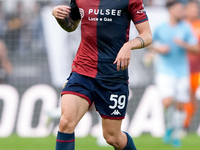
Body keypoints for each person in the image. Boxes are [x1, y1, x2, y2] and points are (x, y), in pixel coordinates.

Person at [52, 0, 152, 150]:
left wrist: (129, 45)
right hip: (82, 70)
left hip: (113, 75)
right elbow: (71, 26)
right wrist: (59, 16)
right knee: (66, 122)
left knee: (113, 137)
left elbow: (147, 35)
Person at [149, 0, 199, 147]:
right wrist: (158, 49)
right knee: (167, 101)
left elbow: (197, 49)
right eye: (178, 9)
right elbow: (147, 43)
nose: (181, 12)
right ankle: (171, 128)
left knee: (181, 105)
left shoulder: (186, 28)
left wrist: (183, 44)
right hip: (165, 70)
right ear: (171, 11)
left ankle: (174, 131)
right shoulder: (160, 28)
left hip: (182, 72)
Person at [184, 0, 200, 132]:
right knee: (188, 98)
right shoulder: (182, 25)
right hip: (184, 70)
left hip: (198, 69)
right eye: (192, 8)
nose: (195, 11)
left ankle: (186, 124)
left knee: (193, 98)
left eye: (196, 8)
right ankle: (184, 124)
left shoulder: (199, 25)